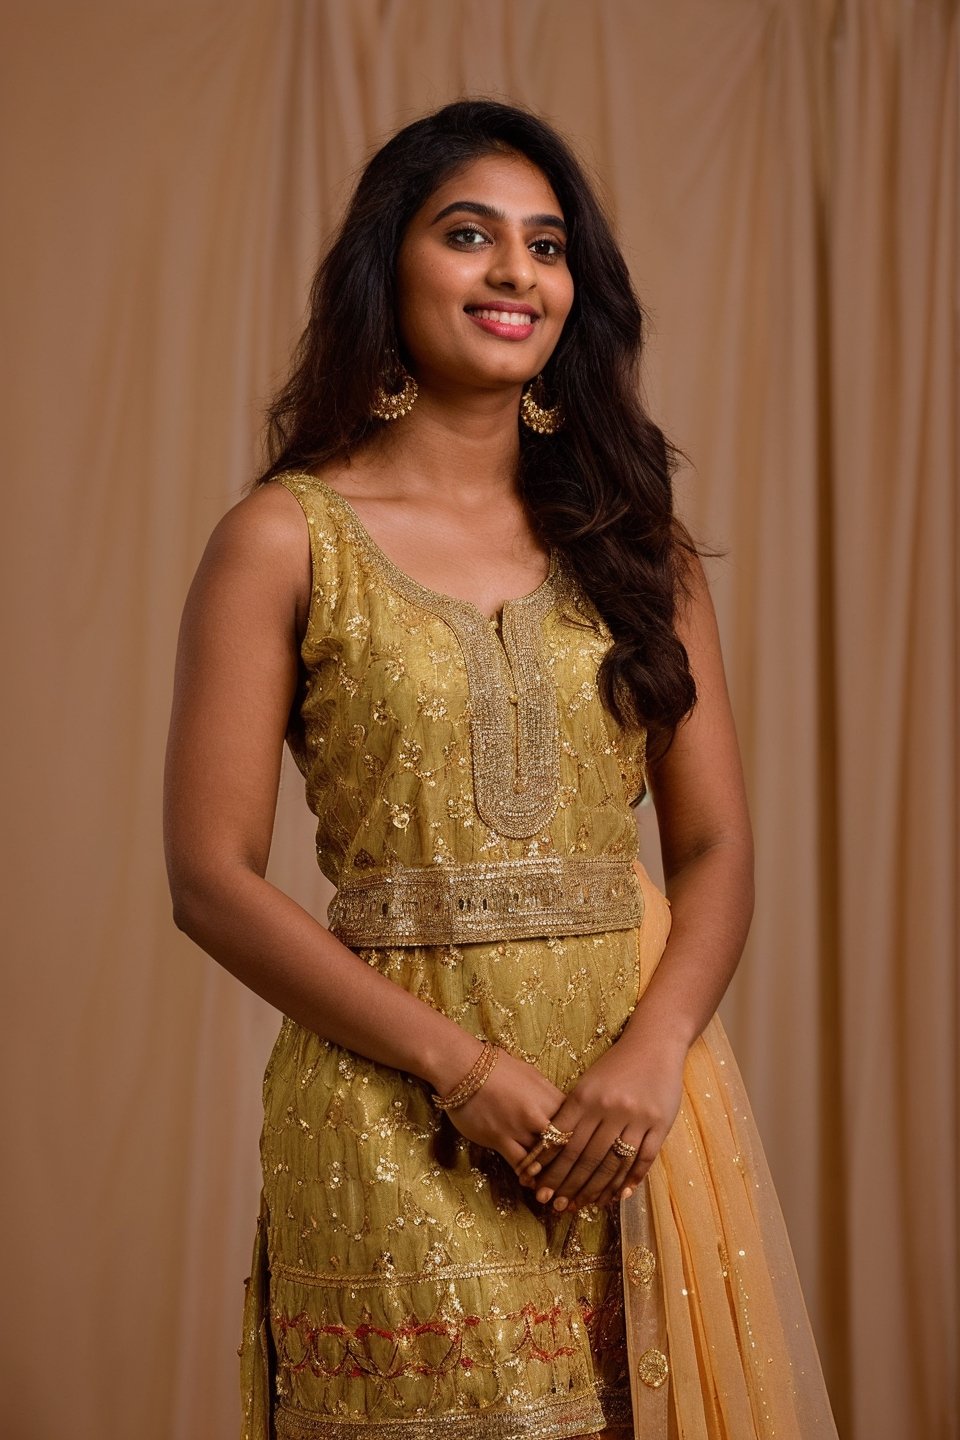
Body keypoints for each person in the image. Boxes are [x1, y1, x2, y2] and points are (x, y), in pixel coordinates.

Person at [164, 99, 838, 1440]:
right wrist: (462, 1073)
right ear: (387, 267)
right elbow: (208, 879)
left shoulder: (635, 540)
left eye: (546, 244)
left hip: (628, 1117)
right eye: (469, 235)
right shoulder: (285, 539)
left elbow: (715, 849)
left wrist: (652, 1060)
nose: (514, 271)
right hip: (385, 1113)